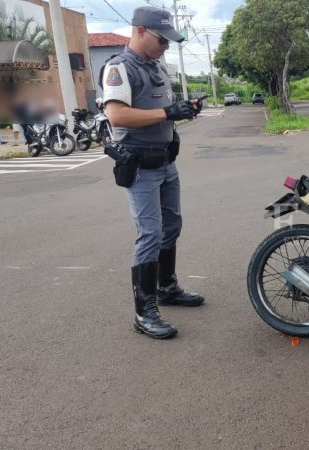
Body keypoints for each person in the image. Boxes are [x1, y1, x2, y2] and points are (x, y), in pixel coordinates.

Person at [101, 6, 204, 339]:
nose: (166, 47)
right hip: (141, 168)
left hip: (165, 162)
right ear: (141, 31)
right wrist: (165, 112)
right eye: (162, 40)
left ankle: (166, 287)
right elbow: (117, 116)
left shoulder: (156, 65)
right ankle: (144, 313)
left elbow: (162, 109)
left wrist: (182, 111)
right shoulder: (120, 68)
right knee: (150, 234)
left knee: (171, 226)